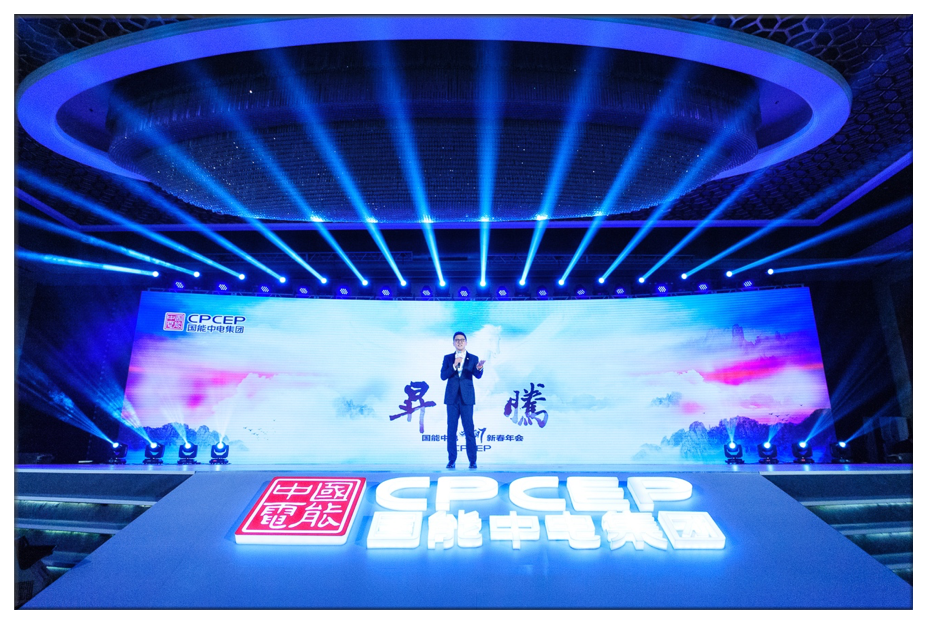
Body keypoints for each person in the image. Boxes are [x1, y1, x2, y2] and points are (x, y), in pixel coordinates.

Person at [440, 331, 485, 469]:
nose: (459, 342)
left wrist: (479, 368)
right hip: (452, 399)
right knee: (451, 430)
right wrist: (454, 365)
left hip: (467, 399)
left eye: (462, 340)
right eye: (457, 340)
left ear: (466, 342)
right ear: (453, 343)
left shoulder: (473, 358)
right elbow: (443, 376)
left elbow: (477, 375)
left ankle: (473, 460)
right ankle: (451, 460)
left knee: (469, 430)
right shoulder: (448, 358)